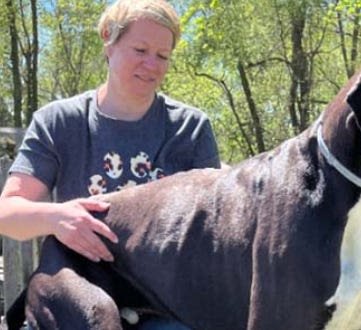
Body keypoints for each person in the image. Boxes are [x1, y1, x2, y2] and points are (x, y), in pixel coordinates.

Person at [0, 0, 220, 327]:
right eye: (140, 49)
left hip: (163, 302)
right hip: (77, 288)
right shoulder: (59, 121)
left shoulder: (190, 129)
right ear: (109, 39)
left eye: (163, 56)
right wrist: (57, 217)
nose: (152, 64)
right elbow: (8, 215)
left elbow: (214, 229)